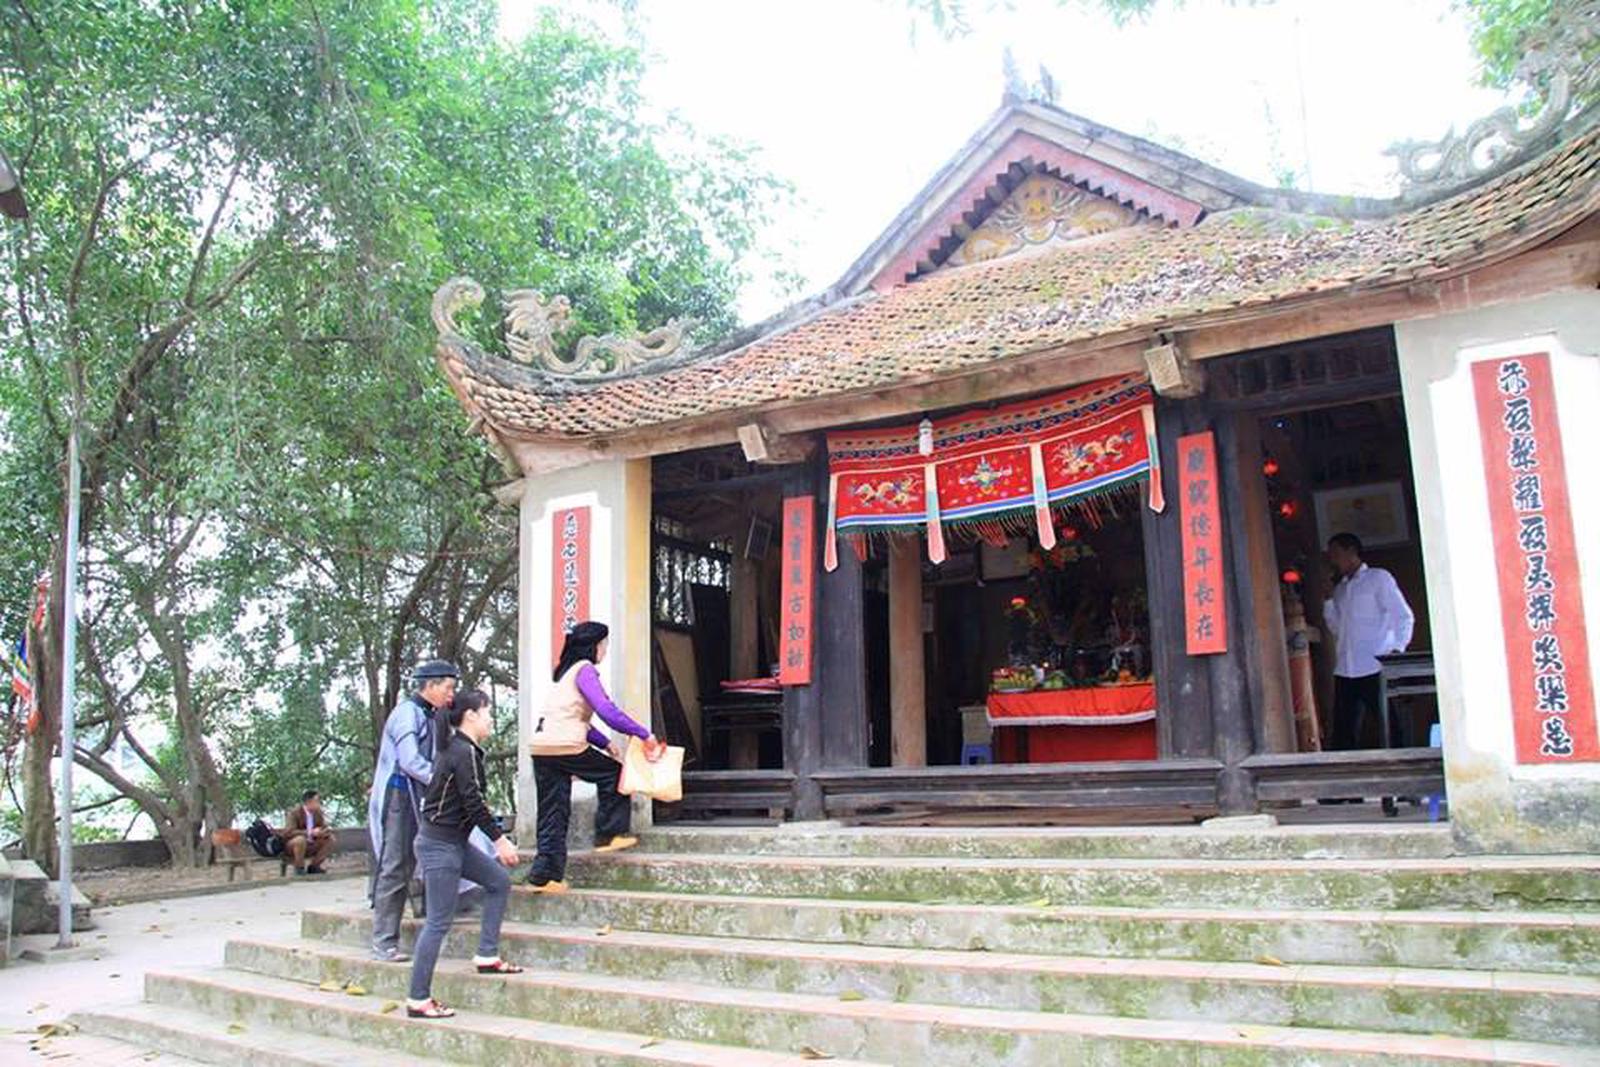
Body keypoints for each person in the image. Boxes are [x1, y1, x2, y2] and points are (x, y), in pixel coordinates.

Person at [406, 688, 522, 1020]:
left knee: (498, 881)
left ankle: (487, 955)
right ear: (471, 715)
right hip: (439, 845)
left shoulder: (460, 749)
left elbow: (469, 803)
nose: (491, 720)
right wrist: (499, 840)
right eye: (487, 713)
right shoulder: (462, 750)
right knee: (438, 922)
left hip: (453, 842)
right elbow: (473, 801)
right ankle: (418, 999)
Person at [527, 621, 665, 893]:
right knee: (616, 774)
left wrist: (606, 743)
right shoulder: (585, 670)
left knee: (553, 811)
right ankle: (609, 834)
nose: (605, 650)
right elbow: (607, 711)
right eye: (604, 645)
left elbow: (576, 720)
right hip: (566, 745)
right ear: (595, 646)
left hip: (542, 748)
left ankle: (543, 875)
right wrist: (643, 734)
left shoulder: (565, 676)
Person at [368, 658, 457, 963]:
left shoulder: (431, 715)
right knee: (395, 865)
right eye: (447, 688)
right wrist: (444, 781)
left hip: (419, 795)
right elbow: (409, 761)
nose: (451, 695)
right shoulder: (407, 713)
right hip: (400, 795)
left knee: (423, 859)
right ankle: (383, 941)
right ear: (430, 685)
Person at [1323, 532, 1416, 814]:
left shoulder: (1378, 578)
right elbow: (1337, 628)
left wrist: (1397, 648)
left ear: (1351, 551)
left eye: (1336, 553)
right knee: (1344, 732)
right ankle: (1347, 790)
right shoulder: (1340, 589)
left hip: (1376, 663)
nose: (1333, 559)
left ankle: (1406, 785)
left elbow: (1403, 615)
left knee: (1390, 727)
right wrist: (1327, 601)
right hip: (1347, 667)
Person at [282, 789, 334, 875]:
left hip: (311, 843)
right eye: (317, 801)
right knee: (300, 840)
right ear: (309, 802)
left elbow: (323, 826)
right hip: (294, 845)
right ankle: (299, 868)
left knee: (330, 839)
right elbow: (289, 832)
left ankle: (314, 866)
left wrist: (324, 831)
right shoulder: (294, 813)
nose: (319, 803)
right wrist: (310, 832)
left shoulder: (318, 813)